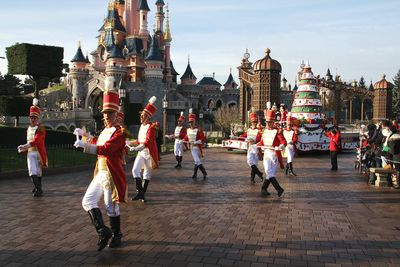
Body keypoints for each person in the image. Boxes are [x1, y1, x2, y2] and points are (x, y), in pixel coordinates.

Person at [73, 82, 127, 251]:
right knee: (87, 201)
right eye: (104, 113)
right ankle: (103, 231)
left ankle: (117, 234)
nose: (106, 116)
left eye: (110, 113)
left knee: (111, 206)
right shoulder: (105, 131)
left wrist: (85, 146)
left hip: (110, 172)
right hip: (101, 172)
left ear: (117, 114)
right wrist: (85, 137)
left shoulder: (120, 133)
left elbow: (106, 149)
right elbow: (98, 142)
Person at [128, 96, 159, 202]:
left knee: (146, 174)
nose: (141, 118)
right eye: (141, 116)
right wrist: (129, 143)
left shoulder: (152, 127)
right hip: (141, 152)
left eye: (143, 116)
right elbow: (139, 140)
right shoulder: (141, 127)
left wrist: (136, 149)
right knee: (135, 170)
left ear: (148, 117)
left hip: (148, 153)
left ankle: (142, 194)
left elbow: (147, 142)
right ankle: (140, 192)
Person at [17, 98, 48, 197]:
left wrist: (24, 146)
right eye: (31, 117)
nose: (33, 119)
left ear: (38, 118)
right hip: (30, 152)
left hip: (38, 152)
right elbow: (29, 141)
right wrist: (23, 148)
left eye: (34, 117)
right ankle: (38, 187)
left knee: (38, 171)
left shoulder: (41, 128)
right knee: (32, 170)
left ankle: (39, 188)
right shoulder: (29, 128)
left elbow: (36, 141)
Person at [257, 106, 286, 197]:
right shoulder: (264, 131)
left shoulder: (277, 131)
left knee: (270, 174)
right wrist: (256, 144)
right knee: (268, 172)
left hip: (274, 154)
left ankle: (264, 189)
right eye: (267, 122)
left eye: (270, 122)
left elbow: (283, 141)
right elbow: (262, 142)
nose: (268, 124)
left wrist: (281, 146)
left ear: (274, 122)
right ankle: (279, 189)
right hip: (267, 154)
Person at [184, 108, 207, 179]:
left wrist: (196, 142)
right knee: (197, 160)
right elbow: (186, 138)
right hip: (192, 148)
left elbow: (203, 139)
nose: (190, 123)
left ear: (194, 121)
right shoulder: (188, 130)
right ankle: (204, 172)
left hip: (198, 148)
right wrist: (182, 140)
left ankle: (195, 174)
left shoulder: (198, 130)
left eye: (192, 122)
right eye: (190, 122)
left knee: (196, 161)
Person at [241, 109, 262, 183]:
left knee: (254, 164)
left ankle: (252, 179)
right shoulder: (248, 130)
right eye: (253, 122)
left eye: (255, 122)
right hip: (250, 147)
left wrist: (255, 141)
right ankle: (259, 173)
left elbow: (260, 138)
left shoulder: (259, 130)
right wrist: (238, 136)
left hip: (255, 147)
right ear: (251, 122)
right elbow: (244, 135)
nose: (254, 123)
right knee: (250, 162)